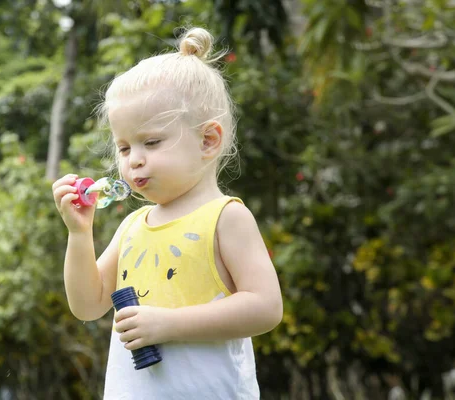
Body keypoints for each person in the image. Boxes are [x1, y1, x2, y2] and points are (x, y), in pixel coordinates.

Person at [52, 27, 283, 400]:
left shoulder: (225, 218)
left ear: (208, 140)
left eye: (152, 142)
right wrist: (79, 235)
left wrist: (168, 324)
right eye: (124, 148)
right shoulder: (131, 227)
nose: (134, 159)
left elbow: (266, 307)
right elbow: (87, 305)